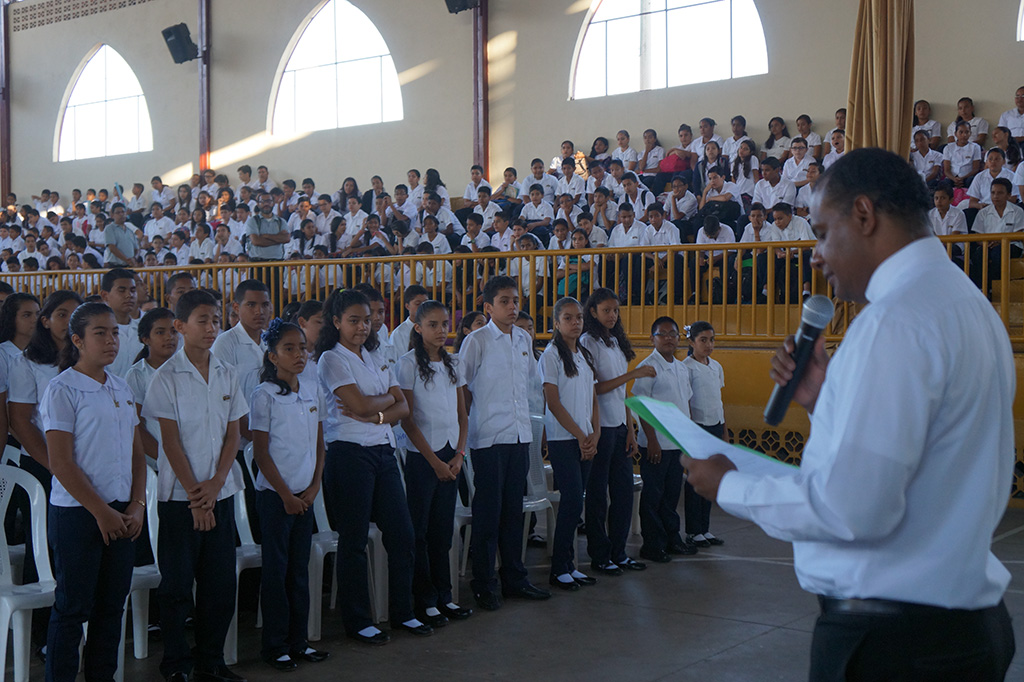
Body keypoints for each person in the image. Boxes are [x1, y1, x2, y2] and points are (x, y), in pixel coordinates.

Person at [685, 147, 1016, 681]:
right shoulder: (964, 303)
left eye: (821, 231)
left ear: (863, 215)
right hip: (960, 628)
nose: (816, 255)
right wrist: (823, 400)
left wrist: (730, 487)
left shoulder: (893, 321)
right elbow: (919, 454)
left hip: (896, 642)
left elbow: (853, 508)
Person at [142, 289, 249, 682]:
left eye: (215, 320)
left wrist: (218, 482)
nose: (210, 328)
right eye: (201, 321)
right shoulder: (165, 378)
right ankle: (176, 662)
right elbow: (169, 442)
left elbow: (233, 435)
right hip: (179, 497)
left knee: (220, 583)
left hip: (220, 493)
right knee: (176, 586)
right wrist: (195, 496)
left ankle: (211, 660)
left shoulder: (227, 372)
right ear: (180, 326)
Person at [40, 302, 147, 682]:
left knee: (111, 608)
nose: (110, 340)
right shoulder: (62, 389)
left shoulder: (121, 387)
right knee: (72, 608)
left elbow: (137, 456)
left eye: (115, 332)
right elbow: (61, 463)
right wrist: (101, 512)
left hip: (122, 512)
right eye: (100, 332)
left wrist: (137, 505)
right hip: (79, 512)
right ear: (77, 340)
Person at [315, 289, 428, 643]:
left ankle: (402, 613)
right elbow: (358, 406)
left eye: (366, 319)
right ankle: (359, 620)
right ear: (336, 322)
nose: (363, 327)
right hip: (349, 455)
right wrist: (382, 409)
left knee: (402, 534)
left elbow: (402, 407)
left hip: (383, 451)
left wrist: (377, 413)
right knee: (354, 540)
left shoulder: (376, 352)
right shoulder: (330, 359)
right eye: (353, 320)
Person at [459, 276, 551, 610]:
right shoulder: (478, 341)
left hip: (519, 435)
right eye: (504, 301)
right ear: (488, 307)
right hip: (489, 438)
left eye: (515, 300)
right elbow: (463, 388)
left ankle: (515, 577)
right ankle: (484, 582)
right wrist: (465, 434)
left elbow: (528, 388)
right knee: (488, 513)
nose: (512, 307)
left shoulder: (524, 339)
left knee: (514, 512)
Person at [249, 319, 329, 671]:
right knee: (277, 571)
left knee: (300, 570)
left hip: (305, 496)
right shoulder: (263, 396)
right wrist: (285, 494)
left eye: (302, 348)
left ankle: (299, 641)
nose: (299, 355)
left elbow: (319, 444)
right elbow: (262, 453)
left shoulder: (312, 390)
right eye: (289, 349)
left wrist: (313, 487)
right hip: (276, 498)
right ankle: (275, 645)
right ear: (272, 356)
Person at [396, 300, 473, 625]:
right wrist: (435, 462)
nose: (441, 331)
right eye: (433, 325)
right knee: (421, 532)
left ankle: (445, 595)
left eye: (445, 324)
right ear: (418, 328)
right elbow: (408, 420)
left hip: (451, 456)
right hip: (423, 458)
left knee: (443, 531)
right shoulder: (408, 363)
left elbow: (462, 415)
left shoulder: (454, 362)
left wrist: (458, 455)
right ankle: (424, 599)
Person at [579, 288, 650, 575]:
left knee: (622, 493)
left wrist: (630, 429)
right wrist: (632, 375)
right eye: (606, 310)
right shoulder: (588, 342)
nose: (612, 315)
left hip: (619, 426)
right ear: (593, 312)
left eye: (615, 310)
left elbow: (621, 391)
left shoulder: (615, 342)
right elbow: (594, 389)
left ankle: (619, 552)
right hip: (600, 429)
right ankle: (600, 554)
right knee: (598, 496)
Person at [539, 297, 600, 591]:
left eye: (578, 318)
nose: (575, 323)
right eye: (567, 318)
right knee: (572, 500)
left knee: (579, 502)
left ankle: (570, 566)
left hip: (586, 438)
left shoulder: (585, 355)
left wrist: (594, 434)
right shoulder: (551, 355)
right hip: (564, 439)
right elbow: (553, 402)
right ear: (556, 323)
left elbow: (592, 398)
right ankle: (559, 568)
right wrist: (579, 434)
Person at [632, 316, 697, 562]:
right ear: (652, 338)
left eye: (673, 334)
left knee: (671, 495)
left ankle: (672, 539)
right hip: (656, 444)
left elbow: (685, 406)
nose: (669, 338)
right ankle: (653, 544)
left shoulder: (681, 368)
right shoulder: (649, 367)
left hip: (677, 444)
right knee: (653, 496)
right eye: (663, 334)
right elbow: (641, 407)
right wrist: (652, 440)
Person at [680, 321, 725, 548]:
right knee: (695, 479)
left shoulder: (716, 367)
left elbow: (718, 401)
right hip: (697, 427)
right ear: (691, 342)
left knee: (709, 479)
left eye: (711, 340)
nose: (708, 345)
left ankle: (704, 528)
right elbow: (686, 401)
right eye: (703, 340)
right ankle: (693, 530)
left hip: (715, 426)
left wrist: (724, 430)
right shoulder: (686, 368)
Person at [125, 307, 178, 461]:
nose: (169, 337)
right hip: (157, 461)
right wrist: (166, 459)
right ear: (145, 339)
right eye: (160, 332)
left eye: (174, 331)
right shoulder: (138, 375)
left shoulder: (185, 370)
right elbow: (137, 427)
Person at [100, 268, 143, 378]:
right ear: (105, 296)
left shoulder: (144, 329)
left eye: (133, 290)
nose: (129, 295)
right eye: (122, 290)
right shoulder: (98, 334)